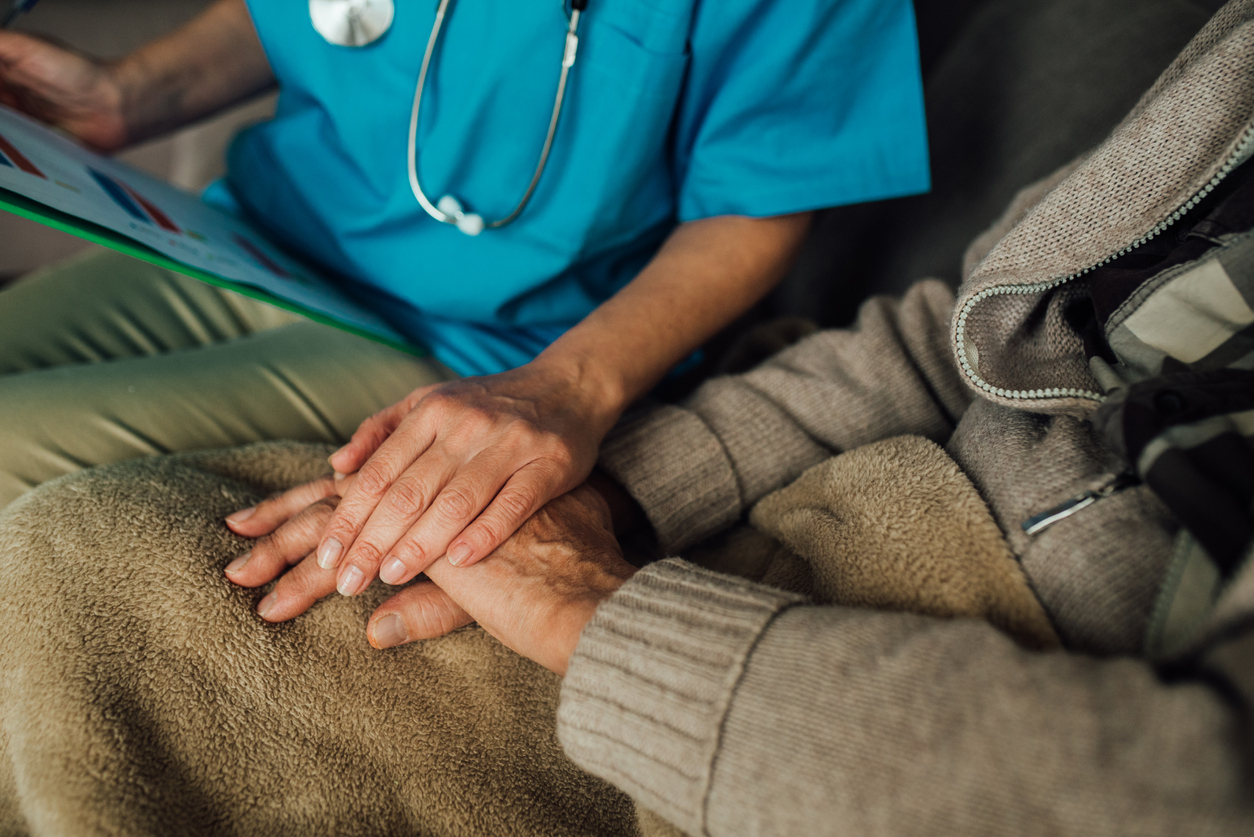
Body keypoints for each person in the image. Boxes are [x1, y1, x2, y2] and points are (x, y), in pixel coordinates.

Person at [225, 1, 1254, 832]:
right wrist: (617, 489)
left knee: (151, 584)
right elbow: (965, 326)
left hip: (867, 679)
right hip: (793, 465)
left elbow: (1197, 783)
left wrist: (586, 602)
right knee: (104, 551)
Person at [0, 0, 929, 606]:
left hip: (476, 349)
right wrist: (134, 93)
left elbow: (760, 203)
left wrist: (569, 388)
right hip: (253, 238)